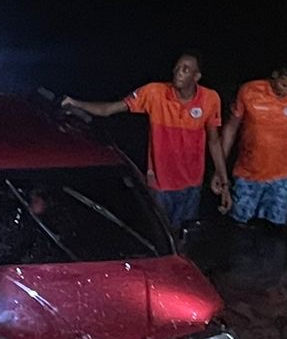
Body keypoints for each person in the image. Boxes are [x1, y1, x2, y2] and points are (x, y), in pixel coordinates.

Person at [61, 53, 230, 231]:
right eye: (177, 68)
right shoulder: (154, 93)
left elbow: (214, 141)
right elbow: (109, 109)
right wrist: (76, 103)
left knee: (185, 239)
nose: (178, 73)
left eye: (185, 69)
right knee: (161, 237)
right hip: (160, 185)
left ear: (196, 77)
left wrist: (223, 180)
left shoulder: (210, 99)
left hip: (192, 185)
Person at [220, 62, 287, 229]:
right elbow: (231, 128)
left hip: (282, 178)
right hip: (247, 174)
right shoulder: (249, 91)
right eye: (283, 84)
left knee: (274, 229)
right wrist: (219, 169)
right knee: (239, 226)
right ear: (274, 75)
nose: (286, 91)